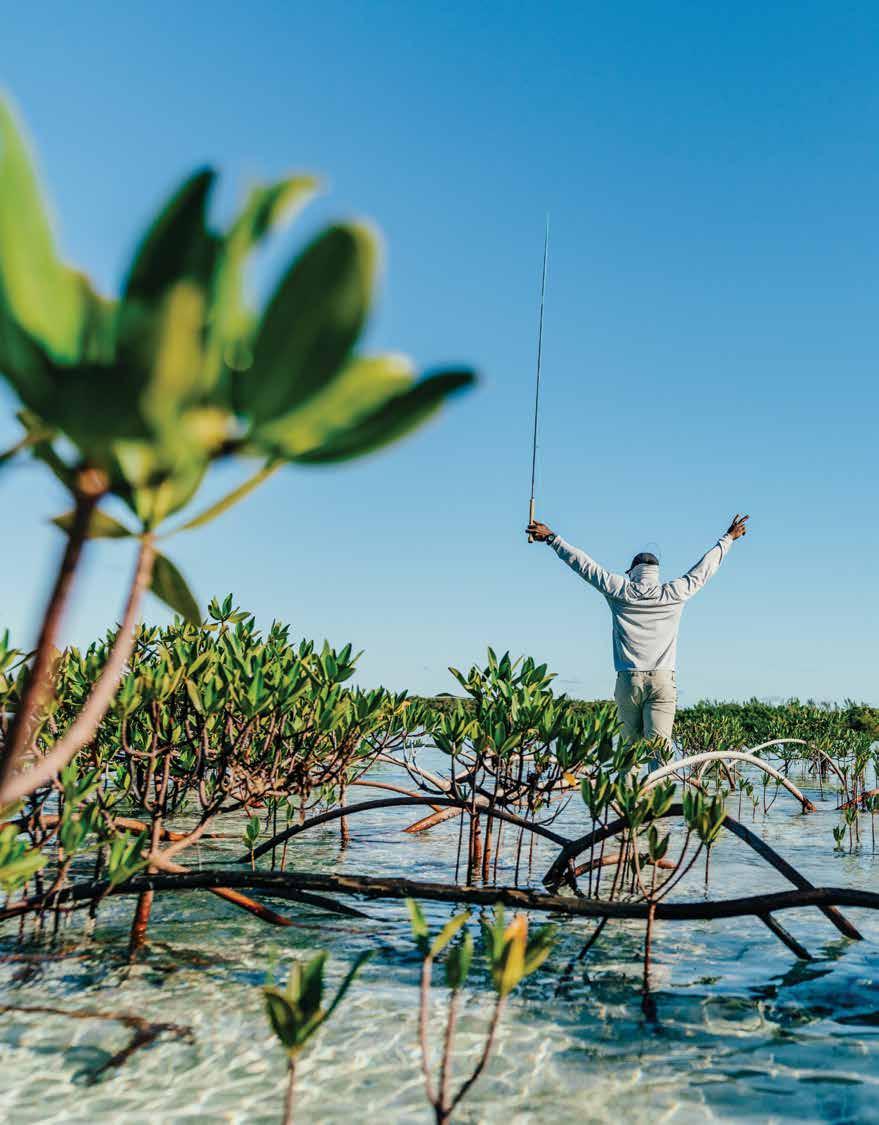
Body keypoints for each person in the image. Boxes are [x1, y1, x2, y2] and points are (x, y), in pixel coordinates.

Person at [525, 514, 749, 749]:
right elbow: (704, 569)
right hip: (662, 680)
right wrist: (728, 538)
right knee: (659, 753)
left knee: (627, 754)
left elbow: (584, 565)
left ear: (632, 572)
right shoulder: (674, 593)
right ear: (656, 573)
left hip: (628, 681)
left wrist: (552, 538)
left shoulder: (619, 589)